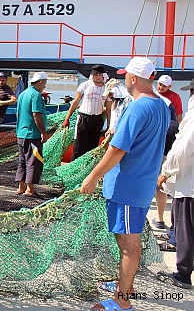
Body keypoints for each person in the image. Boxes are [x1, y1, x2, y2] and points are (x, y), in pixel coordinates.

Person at [80, 57, 170, 311]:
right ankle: (125, 286)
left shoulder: (138, 107)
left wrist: (93, 176)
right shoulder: (161, 105)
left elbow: (118, 148)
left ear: (132, 78)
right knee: (126, 241)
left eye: (125, 76)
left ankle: (122, 301)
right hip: (138, 185)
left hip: (128, 187)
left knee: (129, 245)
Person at [156, 79, 194, 289]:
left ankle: (183, 274)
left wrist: (165, 172)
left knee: (185, 229)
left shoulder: (193, 119)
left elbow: (181, 150)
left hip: (189, 184)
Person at [62, 65, 112, 160]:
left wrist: (109, 126)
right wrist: (67, 118)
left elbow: (109, 109)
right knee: (79, 146)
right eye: (96, 75)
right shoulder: (85, 85)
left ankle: (87, 171)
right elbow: (75, 102)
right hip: (83, 118)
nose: (98, 77)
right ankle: (73, 169)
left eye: (100, 75)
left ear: (103, 76)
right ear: (92, 75)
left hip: (97, 119)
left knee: (92, 147)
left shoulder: (107, 89)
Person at [15, 72, 48, 197]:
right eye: (44, 83)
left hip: (21, 134)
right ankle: (30, 189)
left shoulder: (23, 94)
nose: (44, 86)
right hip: (32, 134)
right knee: (33, 160)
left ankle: (21, 186)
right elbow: (36, 114)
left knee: (22, 160)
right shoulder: (36, 95)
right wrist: (43, 133)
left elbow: (18, 114)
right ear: (40, 82)